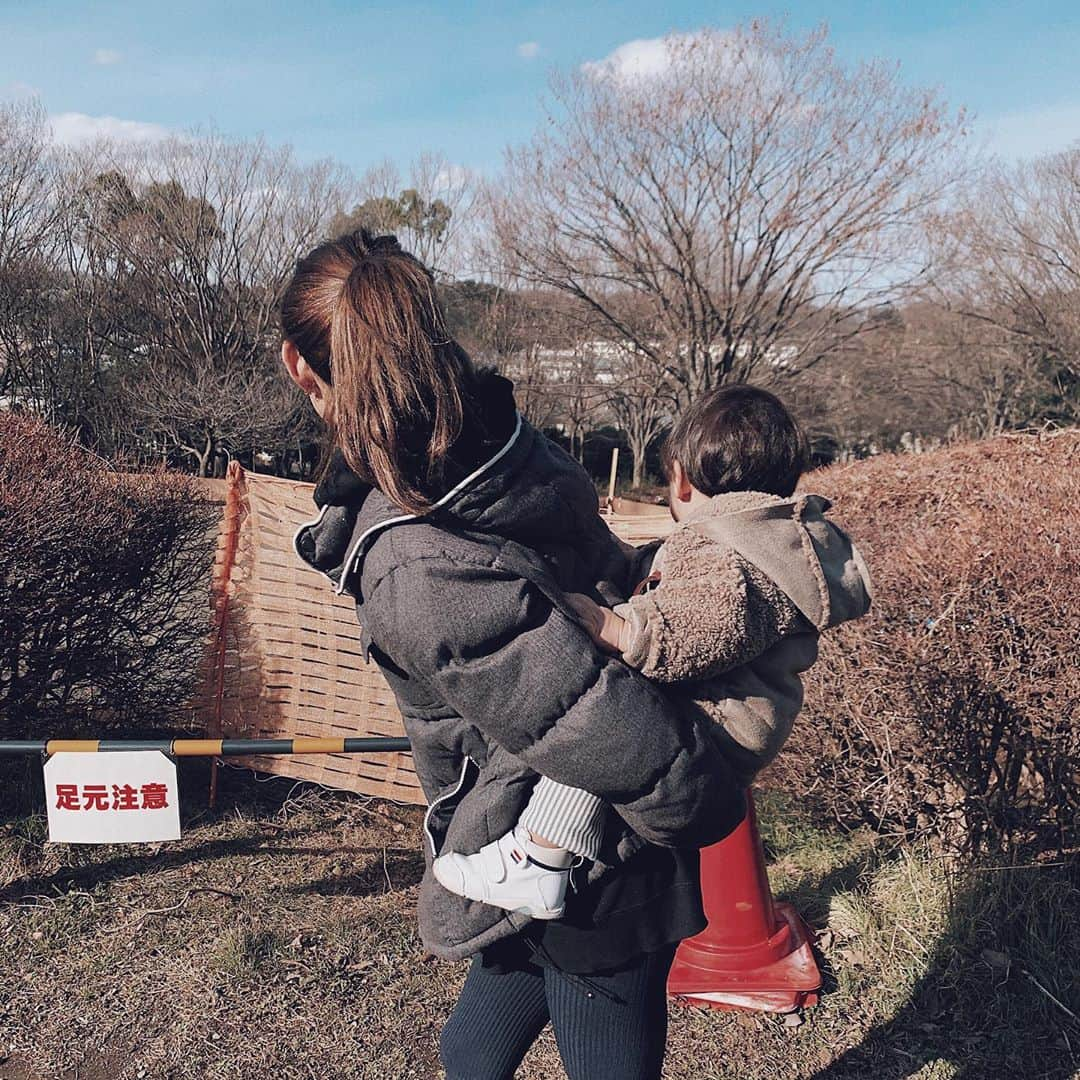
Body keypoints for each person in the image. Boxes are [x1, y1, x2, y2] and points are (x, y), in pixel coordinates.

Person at [280, 229, 746, 1080]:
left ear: (300, 369)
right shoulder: (509, 448)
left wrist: (711, 791)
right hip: (516, 843)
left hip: (600, 855)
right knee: (471, 1052)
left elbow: (608, 733)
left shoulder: (416, 563)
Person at [433, 386, 873, 922]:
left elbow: (704, 625)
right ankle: (545, 856)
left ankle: (539, 859)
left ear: (683, 478)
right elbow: (688, 585)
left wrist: (614, 625)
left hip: (716, 718)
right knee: (613, 717)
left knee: (605, 721)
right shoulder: (758, 542)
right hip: (736, 718)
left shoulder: (726, 549)